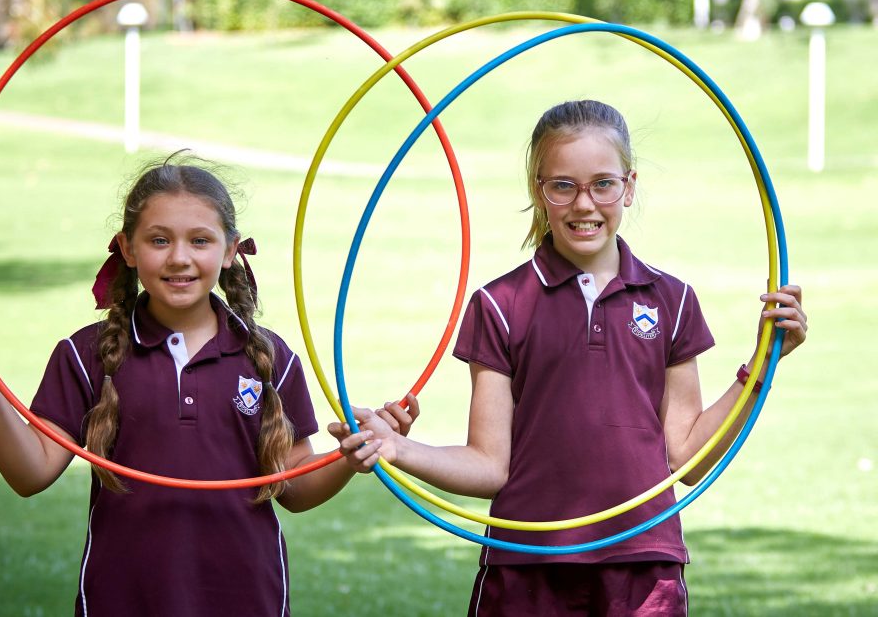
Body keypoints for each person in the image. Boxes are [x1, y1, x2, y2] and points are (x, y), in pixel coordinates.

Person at [330, 100, 807, 616]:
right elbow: (489, 465)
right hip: (528, 564)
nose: (584, 204)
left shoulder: (672, 300)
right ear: (539, 190)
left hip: (642, 562)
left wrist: (761, 363)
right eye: (564, 185)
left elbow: (687, 458)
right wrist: (398, 448)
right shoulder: (501, 304)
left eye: (602, 184)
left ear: (629, 185)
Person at [0, 156, 417, 616]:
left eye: (200, 241)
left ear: (231, 251)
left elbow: (292, 484)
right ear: (127, 249)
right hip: (121, 601)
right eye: (159, 240)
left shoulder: (271, 359)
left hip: (247, 600)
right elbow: (31, 473)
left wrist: (350, 459)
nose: (180, 258)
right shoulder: (86, 355)